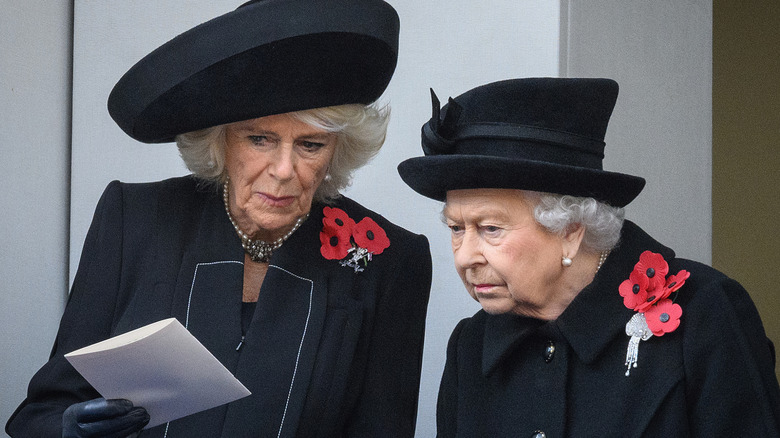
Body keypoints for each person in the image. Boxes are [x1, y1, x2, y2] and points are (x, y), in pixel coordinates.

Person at [7, 1, 432, 437]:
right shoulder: (132, 221)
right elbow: (39, 414)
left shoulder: (388, 259)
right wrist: (65, 430)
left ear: (338, 150)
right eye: (260, 139)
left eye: (310, 145)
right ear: (220, 140)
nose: (284, 169)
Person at [397, 77, 780, 437]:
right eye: (456, 228)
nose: (465, 257)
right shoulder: (471, 344)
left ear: (570, 232)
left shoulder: (704, 314)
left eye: (490, 229)